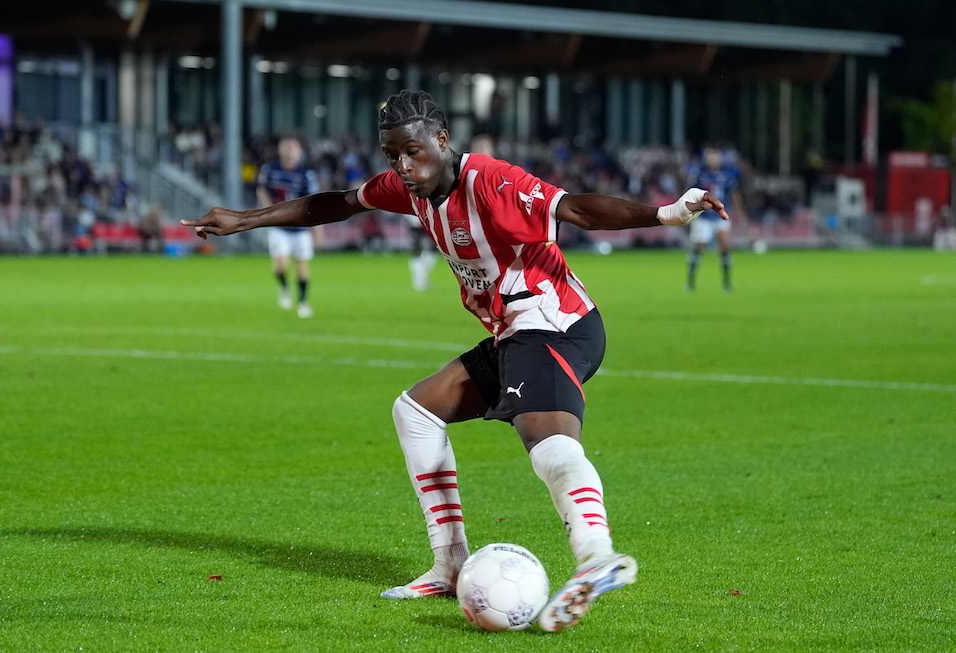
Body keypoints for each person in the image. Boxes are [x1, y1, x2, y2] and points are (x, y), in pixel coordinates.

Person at [183, 89, 727, 632]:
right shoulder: (408, 185)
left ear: (442, 141)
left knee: (546, 442)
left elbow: (579, 209)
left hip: (554, 324)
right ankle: (450, 565)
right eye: (392, 155)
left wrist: (670, 212)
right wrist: (246, 219)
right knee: (416, 411)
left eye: (413, 152)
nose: (403, 166)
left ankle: (596, 555)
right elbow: (336, 203)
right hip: (514, 332)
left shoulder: (491, 180)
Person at [256, 136, 320, 318]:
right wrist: (270, 211)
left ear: (299, 151)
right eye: (286, 147)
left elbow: (313, 202)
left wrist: (317, 229)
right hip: (279, 226)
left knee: (301, 265)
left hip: (300, 228)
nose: (289, 151)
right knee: (281, 264)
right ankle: (284, 287)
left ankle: (302, 302)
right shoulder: (270, 169)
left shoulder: (306, 174)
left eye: (293, 147)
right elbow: (261, 189)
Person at [684, 146, 744, 293]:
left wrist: (740, 213)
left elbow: (733, 194)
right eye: (710, 156)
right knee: (699, 246)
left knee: (724, 247)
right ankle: (690, 282)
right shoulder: (699, 175)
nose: (713, 159)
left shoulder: (726, 175)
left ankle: (726, 283)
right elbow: (690, 194)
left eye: (715, 156)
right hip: (703, 216)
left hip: (720, 216)